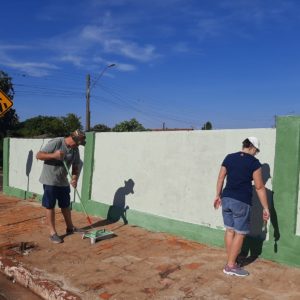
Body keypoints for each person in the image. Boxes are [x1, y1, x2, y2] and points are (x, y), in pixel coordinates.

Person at [214, 137, 270, 277]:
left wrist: (217, 195)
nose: (256, 154)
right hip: (241, 202)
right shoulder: (254, 163)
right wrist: (266, 208)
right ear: (251, 147)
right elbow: (259, 186)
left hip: (226, 198)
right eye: (256, 151)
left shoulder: (229, 157)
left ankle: (231, 260)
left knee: (230, 231)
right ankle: (231, 266)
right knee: (240, 233)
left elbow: (221, 177)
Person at [36, 129, 86, 244]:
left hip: (63, 181)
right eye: (78, 143)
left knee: (65, 205)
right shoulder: (57, 142)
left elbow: (76, 165)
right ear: (74, 139)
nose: (78, 146)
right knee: (50, 206)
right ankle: (53, 233)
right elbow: (39, 155)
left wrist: (74, 178)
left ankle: (70, 228)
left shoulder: (75, 149)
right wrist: (54, 155)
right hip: (50, 181)